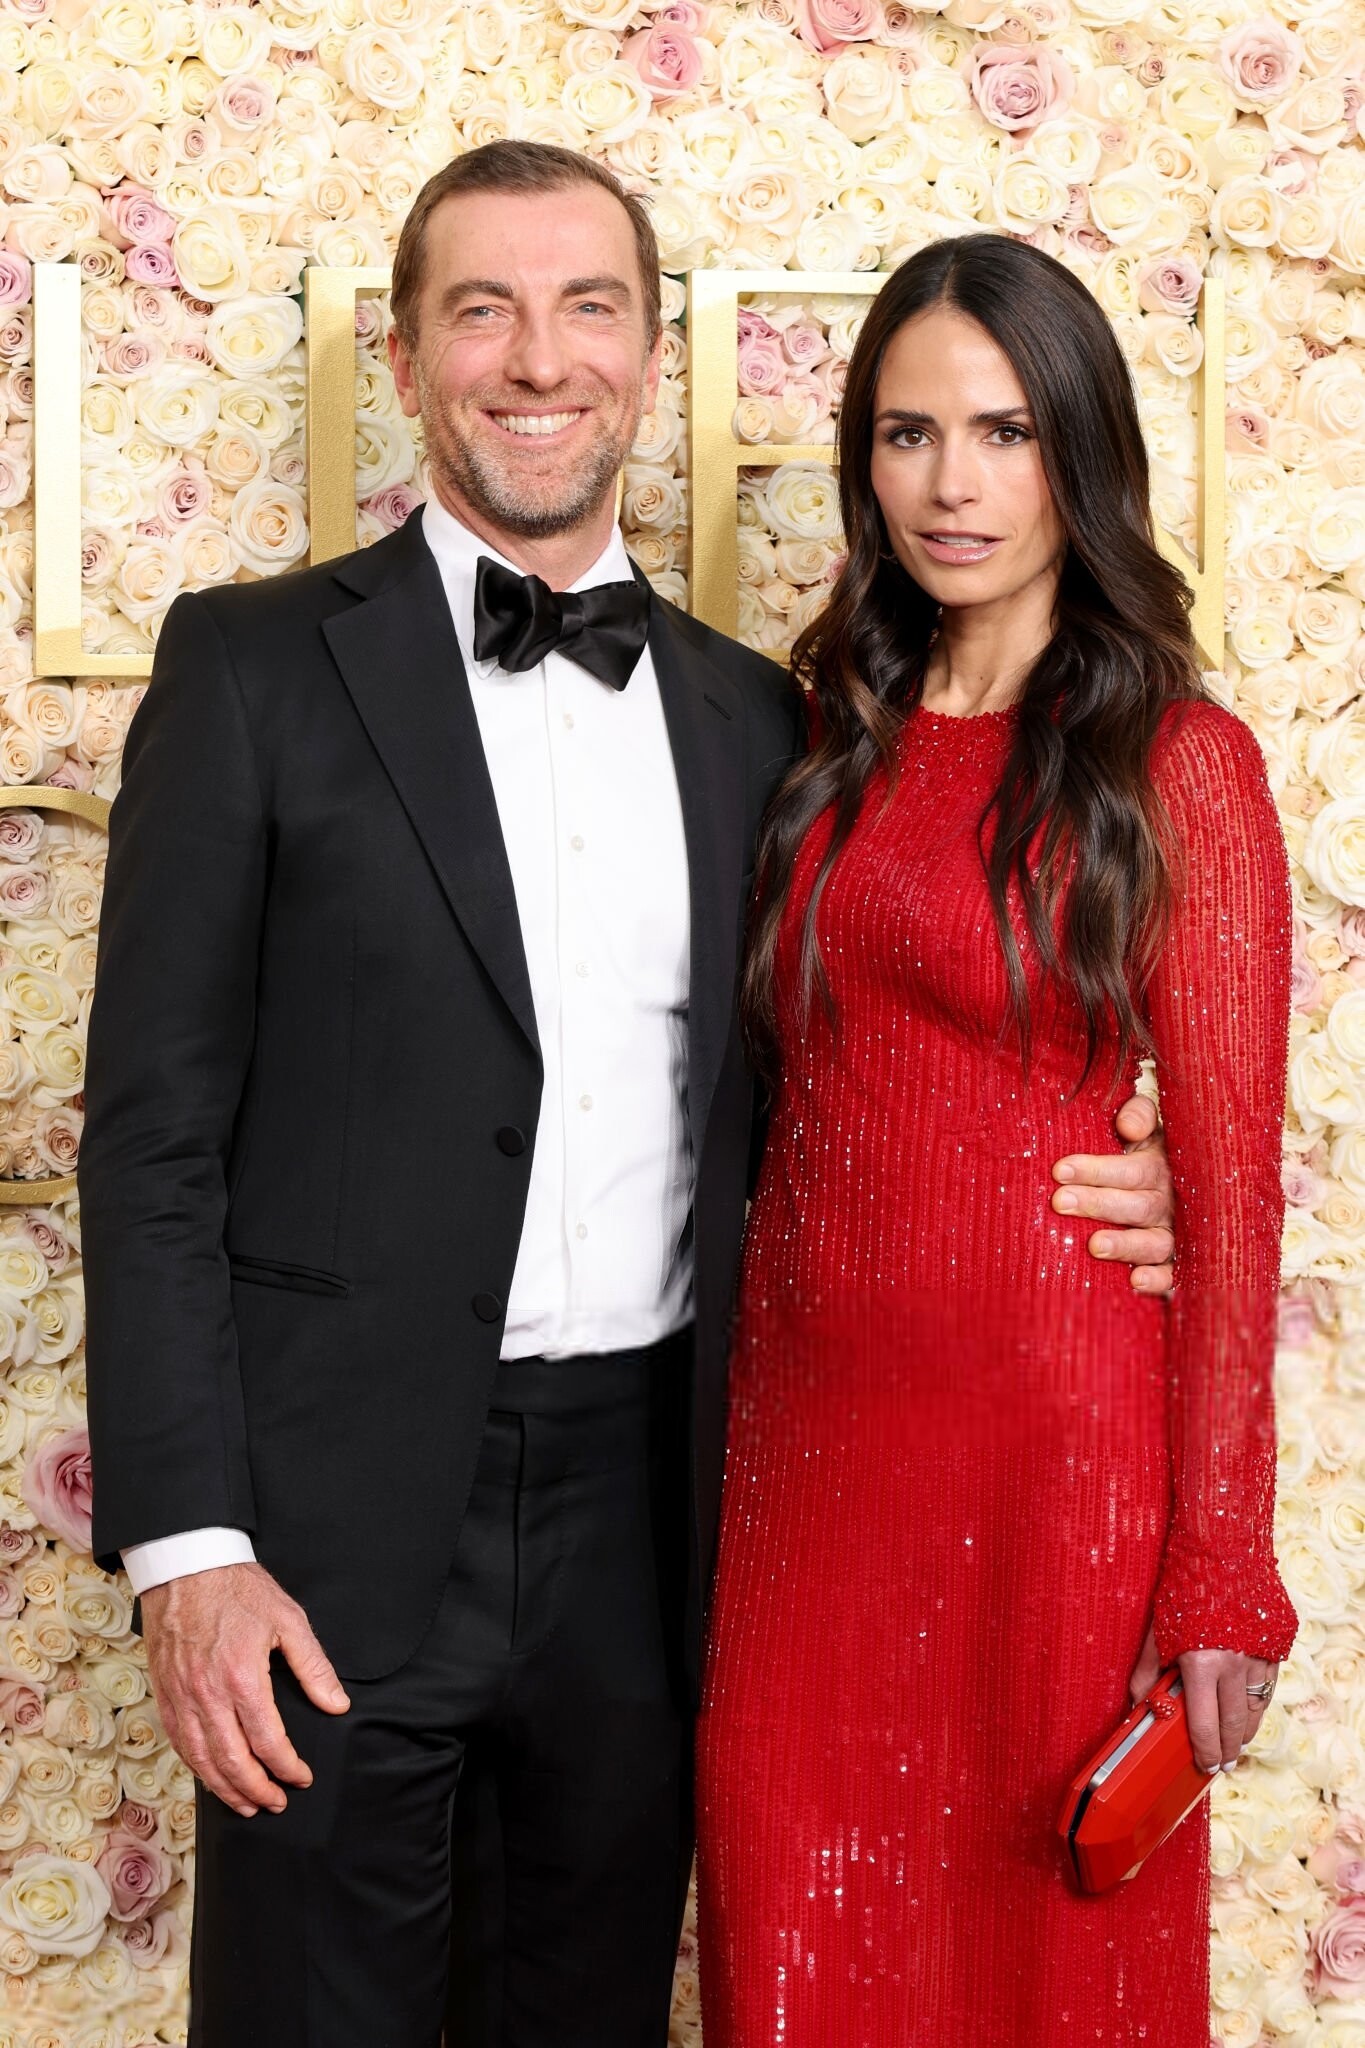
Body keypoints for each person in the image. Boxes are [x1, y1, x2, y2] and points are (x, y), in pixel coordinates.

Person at [79, 150, 1174, 2048]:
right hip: (324, 1537)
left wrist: (1111, 1177)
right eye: (482, 311)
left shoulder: (766, 723)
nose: (537, 359)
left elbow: (868, 1073)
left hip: (658, 1530)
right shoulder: (249, 669)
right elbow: (152, 1133)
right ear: (405, 356)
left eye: (587, 307)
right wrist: (193, 1550)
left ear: (651, 358)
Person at [695, 232, 1298, 2047]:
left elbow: (1234, 1193)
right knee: (790, 1953)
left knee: (1045, 1979)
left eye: (1004, 432)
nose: (949, 484)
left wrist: (1217, 1568)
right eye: (906, 433)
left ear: (1077, 453)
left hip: (1055, 1475)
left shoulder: (1176, 762)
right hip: (803, 1472)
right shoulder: (819, 736)